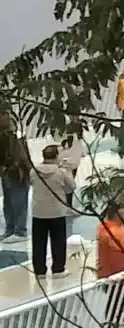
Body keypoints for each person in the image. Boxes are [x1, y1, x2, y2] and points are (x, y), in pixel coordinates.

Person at [29, 144, 75, 277]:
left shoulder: (34, 171)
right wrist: (68, 170)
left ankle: (39, 271)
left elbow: (32, 183)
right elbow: (72, 187)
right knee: (58, 241)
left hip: (38, 212)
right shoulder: (61, 172)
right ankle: (58, 269)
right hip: (57, 211)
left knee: (38, 243)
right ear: (56, 156)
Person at [0, 106, 29, 243]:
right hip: (6, 172)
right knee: (8, 203)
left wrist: (14, 166)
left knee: (18, 201)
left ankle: (20, 231)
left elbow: (22, 157)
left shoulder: (16, 137)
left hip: (18, 173)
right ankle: (10, 229)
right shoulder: (4, 137)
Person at [94, 199, 124, 279]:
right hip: (119, 278)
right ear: (117, 214)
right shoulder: (116, 232)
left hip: (105, 277)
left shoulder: (103, 228)